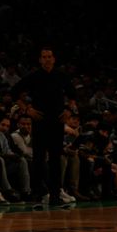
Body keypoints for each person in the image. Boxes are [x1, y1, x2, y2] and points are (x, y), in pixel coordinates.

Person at [12, 46, 77, 207]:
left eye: (49, 56)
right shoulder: (33, 76)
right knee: (38, 159)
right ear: (40, 60)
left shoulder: (61, 76)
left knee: (56, 159)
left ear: (54, 59)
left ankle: (55, 195)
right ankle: (38, 194)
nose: (47, 59)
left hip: (57, 121)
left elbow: (73, 95)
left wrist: (69, 110)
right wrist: (27, 109)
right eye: (44, 57)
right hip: (40, 121)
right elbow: (14, 92)